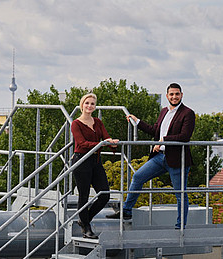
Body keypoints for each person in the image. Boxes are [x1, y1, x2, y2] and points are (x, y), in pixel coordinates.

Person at [106, 83, 195, 229]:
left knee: (180, 193)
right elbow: (155, 130)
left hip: (178, 159)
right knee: (138, 177)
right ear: (167, 96)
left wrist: (163, 140)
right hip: (159, 157)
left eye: (177, 94)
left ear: (182, 95)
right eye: (171, 94)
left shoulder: (188, 113)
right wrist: (138, 122)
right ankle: (127, 211)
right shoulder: (164, 111)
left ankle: (180, 227)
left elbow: (185, 136)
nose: (174, 97)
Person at [71, 93, 119, 239]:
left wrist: (112, 143)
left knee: (104, 195)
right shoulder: (76, 124)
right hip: (81, 161)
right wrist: (102, 144)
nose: (89, 106)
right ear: (82, 105)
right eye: (87, 103)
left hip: (96, 161)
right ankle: (87, 228)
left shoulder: (97, 122)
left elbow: (106, 137)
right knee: (84, 195)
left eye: (92, 104)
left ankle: (84, 220)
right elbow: (82, 144)